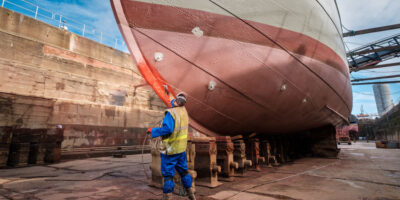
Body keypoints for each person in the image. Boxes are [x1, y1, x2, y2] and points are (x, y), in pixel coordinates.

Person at [147, 92, 196, 200]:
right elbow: (174, 102)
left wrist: (153, 131)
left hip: (170, 151)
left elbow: (167, 129)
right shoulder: (184, 111)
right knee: (184, 172)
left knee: (168, 176)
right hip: (181, 150)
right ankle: (192, 196)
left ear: (177, 102)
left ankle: (167, 197)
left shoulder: (171, 113)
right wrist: (167, 92)